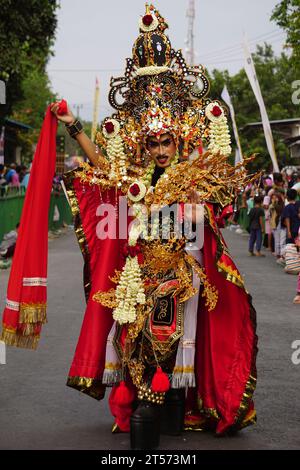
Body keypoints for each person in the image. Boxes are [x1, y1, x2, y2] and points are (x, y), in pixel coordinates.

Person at [3, 4, 258, 449]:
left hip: (182, 269)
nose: (160, 149)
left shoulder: (194, 173)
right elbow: (105, 168)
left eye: (166, 140)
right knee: (131, 333)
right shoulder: (138, 179)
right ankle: (155, 402)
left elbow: (218, 193)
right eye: (153, 141)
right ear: (146, 143)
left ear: (177, 139)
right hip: (139, 269)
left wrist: (198, 209)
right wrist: (73, 126)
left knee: (172, 335)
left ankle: (162, 404)